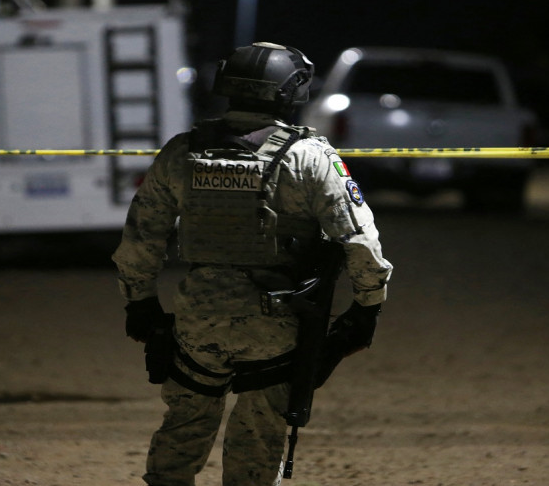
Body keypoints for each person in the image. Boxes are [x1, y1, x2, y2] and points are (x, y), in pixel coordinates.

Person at [111, 42, 393, 486]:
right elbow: (360, 241)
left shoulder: (182, 151)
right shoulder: (309, 157)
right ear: (289, 92)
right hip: (274, 324)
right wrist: (367, 307)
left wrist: (139, 301)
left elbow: (141, 238)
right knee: (258, 442)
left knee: (183, 426)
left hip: (198, 321)